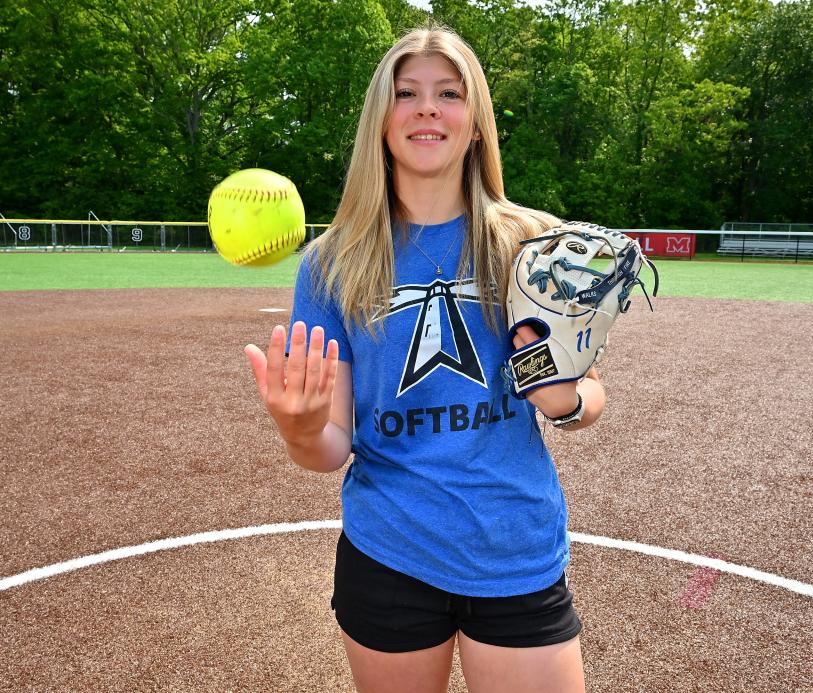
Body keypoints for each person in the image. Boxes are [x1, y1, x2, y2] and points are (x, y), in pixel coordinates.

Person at [244, 26, 605, 693]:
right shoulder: (335, 262)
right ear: (382, 120)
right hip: (390, 555)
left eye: (448, 93)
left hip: (514, 547)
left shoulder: (531, 243)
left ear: (475, 124)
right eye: (406, 93)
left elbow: (587, 395)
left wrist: (567, 400)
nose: (427, 108)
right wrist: (299, 429)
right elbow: (332, 446)